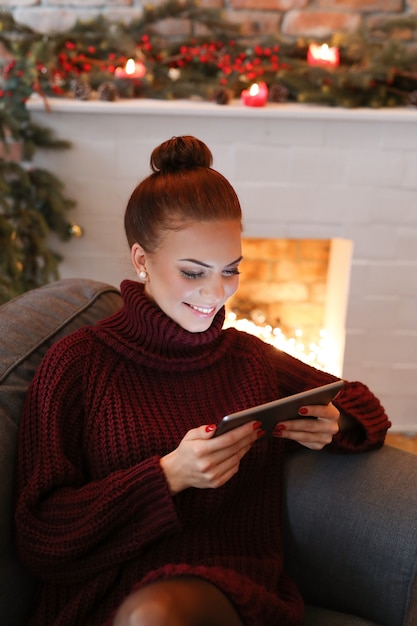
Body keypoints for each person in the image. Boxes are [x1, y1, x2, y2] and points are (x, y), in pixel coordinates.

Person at [14, 135, 391, 626]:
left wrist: (335, 425)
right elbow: (41, 536)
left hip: (225, 592)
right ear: (141, 260)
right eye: (193, 272)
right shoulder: (78, 364)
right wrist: (169, 475)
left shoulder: (249, 360)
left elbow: (363, 405)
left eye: (230, 270)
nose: (216, 293)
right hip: (102, 597)